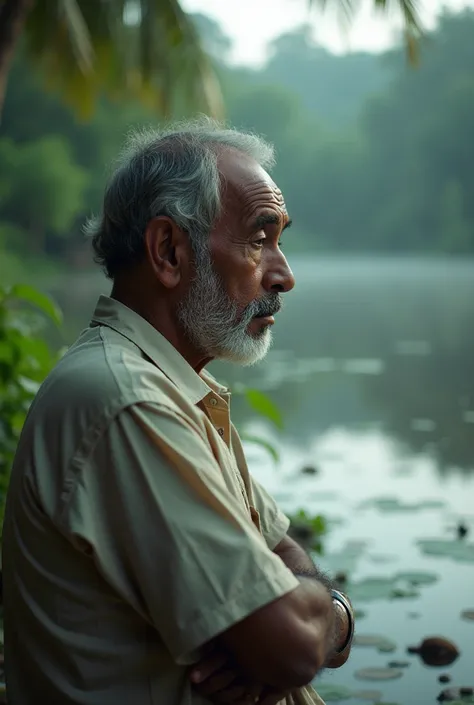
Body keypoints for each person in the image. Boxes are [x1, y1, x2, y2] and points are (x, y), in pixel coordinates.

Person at [2, 118, 354, 705]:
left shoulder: (173, 384)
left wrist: (314, 616)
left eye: (280, 238)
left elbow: (285, 557)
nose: (284, 274)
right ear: (169, 250)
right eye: (259, 238)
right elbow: (291, 646)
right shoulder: (126, 402)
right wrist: (312, 622)